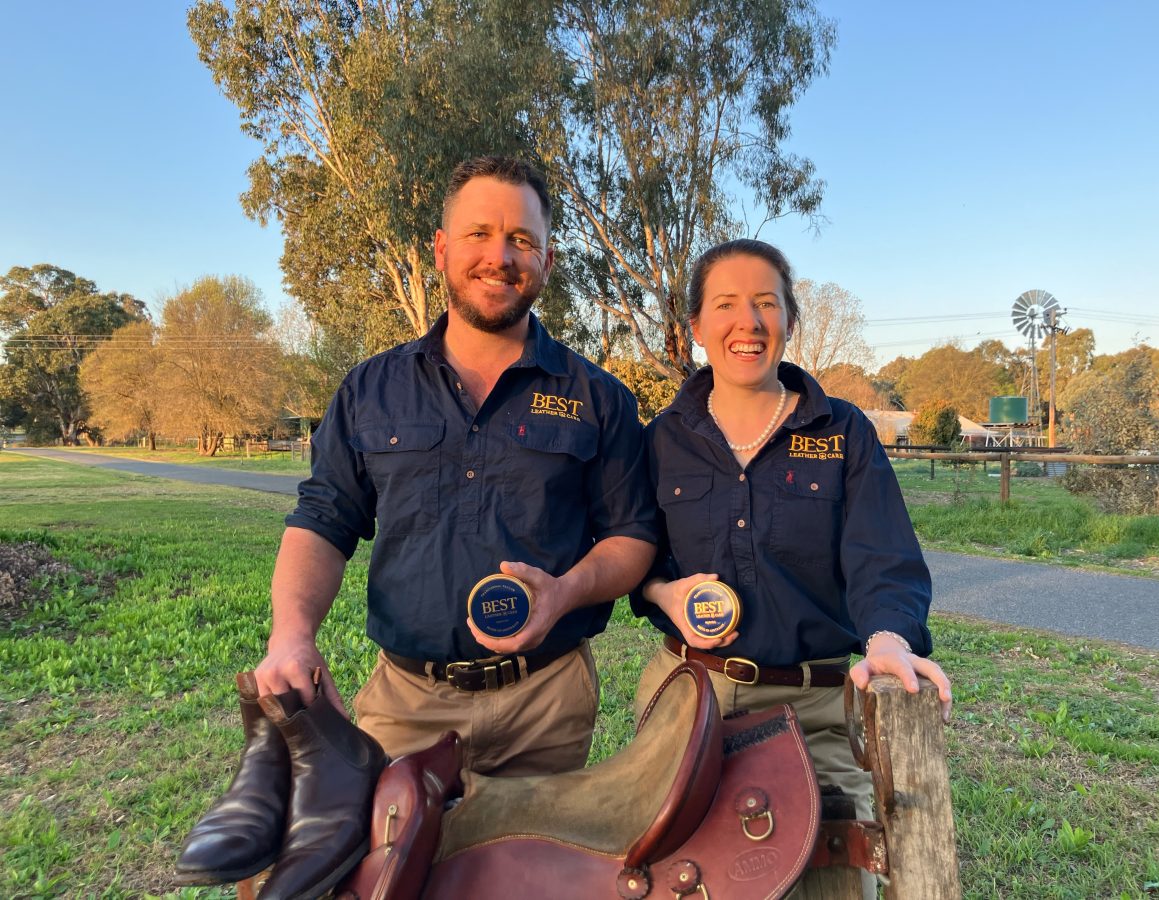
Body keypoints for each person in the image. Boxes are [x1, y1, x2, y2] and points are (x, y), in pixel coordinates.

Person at [256, 155, 657, 776]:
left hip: (546, 704)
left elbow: (633, 536)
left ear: (546, 261)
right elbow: (323, 518)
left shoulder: (599, 398)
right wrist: (291, 634)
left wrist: (564, 593)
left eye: (522, 239)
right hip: (406, 706)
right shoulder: (371, 388)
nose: (500, 256)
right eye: (479, 234)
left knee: (532, 874)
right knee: (394, 871)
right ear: (441, 249)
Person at [631, 239, 951, 897]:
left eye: (765, 303)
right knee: (669, 878)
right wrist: (666, 594)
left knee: (834, 882)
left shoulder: (844, 435)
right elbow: (640, 557)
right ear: (695, 327)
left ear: (789, 322)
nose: (746, 321)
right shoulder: (661, 440)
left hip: (817, 710)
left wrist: (889, 638)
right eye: (725, 304)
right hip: (690, 698)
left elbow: (883, 559)